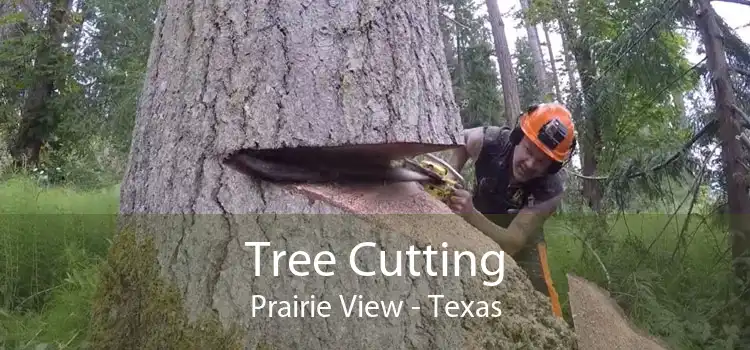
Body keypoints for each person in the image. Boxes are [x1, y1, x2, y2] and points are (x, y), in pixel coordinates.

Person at [445, 103, 577, 318]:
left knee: (544, 301)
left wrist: (469, 214)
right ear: (517, 137)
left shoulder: (551, 190)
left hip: (523, 243)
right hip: (479, 217)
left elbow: (514, 242)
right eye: (528, 150)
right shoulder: (492, 141)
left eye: (542, 161)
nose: (530, 163)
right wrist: (450, 177)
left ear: (552, 167)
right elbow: (463, 140)